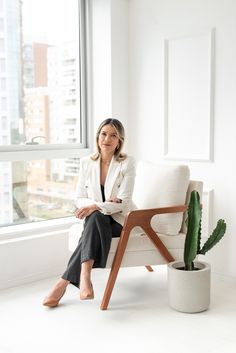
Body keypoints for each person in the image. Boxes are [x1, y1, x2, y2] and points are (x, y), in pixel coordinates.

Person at [43, 118, 136, 307]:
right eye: (103, 133)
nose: (107, 139)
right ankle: (84, 277)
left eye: (113, 135)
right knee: (96, 218)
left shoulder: (126, 163)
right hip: (98, 220)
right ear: (98, 136)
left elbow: (124, 203)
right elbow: (79, 197)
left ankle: (66, 282)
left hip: (120, 221)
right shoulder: (87, 162)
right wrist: (102, 204)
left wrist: (95, 205)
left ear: (120, 141)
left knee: (94, 217)